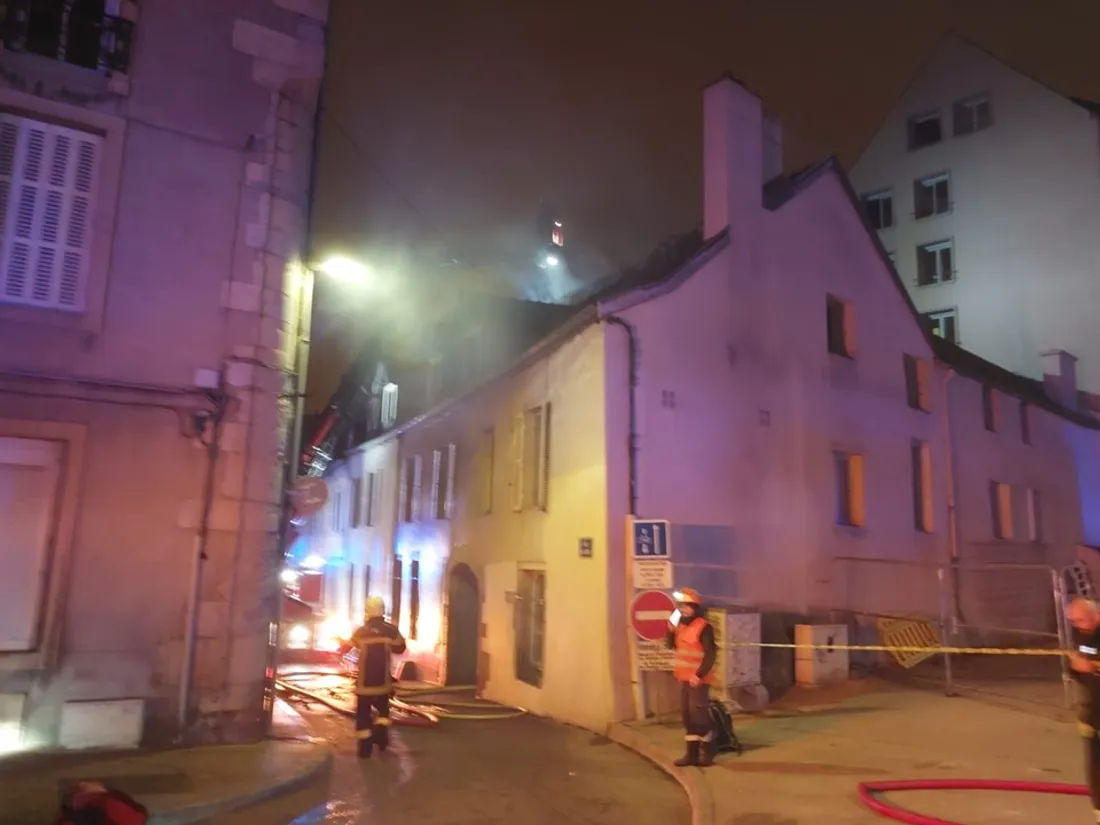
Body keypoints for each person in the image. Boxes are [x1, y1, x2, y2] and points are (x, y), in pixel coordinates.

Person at [346, 596, 406, 758]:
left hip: (364, 683)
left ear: (367, 611)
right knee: (383, 711)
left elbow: (350, 647)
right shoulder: (391, 630)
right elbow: (400, 648)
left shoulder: (360, 632)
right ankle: (381, 737)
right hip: (383, 682)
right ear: (383, 610)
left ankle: (365, 749)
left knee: (363, 715)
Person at [665, 587, 717, 767]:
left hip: (698, 680)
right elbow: (671, 646)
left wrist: (698, 675)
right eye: (681, 606)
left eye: (687, 606)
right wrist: (670, 631)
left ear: (696, 607)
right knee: (688, 716)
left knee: (699, 717)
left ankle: (709, 750)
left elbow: (710, 654)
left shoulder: (704, 627)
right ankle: (691, 754)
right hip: (684, 679)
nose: (683, 609)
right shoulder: (681, 625)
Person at [1068, 596, 1100, 823]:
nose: (1078, 626)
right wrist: (1079, 668)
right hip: (1093, 714)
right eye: (1074, 622)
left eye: (1081, 621)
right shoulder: (1084, 635)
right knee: (1096, 770)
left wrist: (1090, 668)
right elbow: (1081, 666)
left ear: (1096, 616)